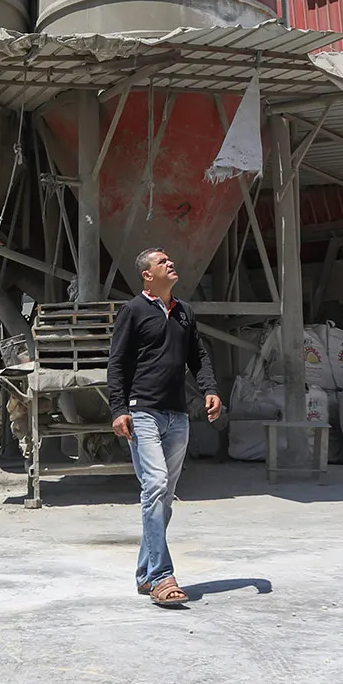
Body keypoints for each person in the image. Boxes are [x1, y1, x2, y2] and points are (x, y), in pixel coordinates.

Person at [107, 246, 223, 606]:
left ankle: (145, 574)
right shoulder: (133, 311)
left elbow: (198, 356)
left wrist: (210, 389)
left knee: (163, 497)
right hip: (142, 412)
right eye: (162, 261)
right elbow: (117, 362)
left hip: (177, 415)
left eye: (170, 260)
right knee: (155, 486)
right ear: (147, 274)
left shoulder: (184, 312)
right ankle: (161, 577)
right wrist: (118, 409)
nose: (171, 263)